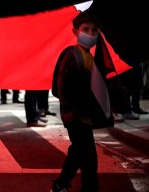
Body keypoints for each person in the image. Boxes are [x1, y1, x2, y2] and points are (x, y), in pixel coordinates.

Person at [51, 10, 114, 192]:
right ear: (75, 32)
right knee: (87, 156)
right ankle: (73, 185)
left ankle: (63, 184)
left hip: (84, 116)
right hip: (75, 116)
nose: (91, 34)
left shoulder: (91, 57)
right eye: (86, 29)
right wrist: (72, 111)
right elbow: (63, 86)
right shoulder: (72, 54)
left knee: (80, 153)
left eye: (95, 31)